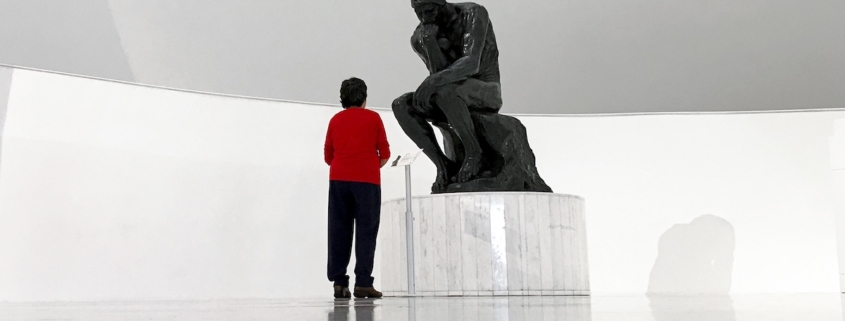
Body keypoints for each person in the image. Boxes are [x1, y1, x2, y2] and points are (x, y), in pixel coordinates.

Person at [392, 0, 502, 193]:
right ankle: (443, 165)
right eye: (420, 13)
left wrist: (432, 82)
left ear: (441, 4)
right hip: (450, 94)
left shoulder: (472, 14)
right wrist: (431, 45)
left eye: (428, 11)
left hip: (486, 90)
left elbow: (471, 63)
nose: (425, 18)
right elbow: (439, 73)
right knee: (401, 105)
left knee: (445, 91)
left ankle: (475, 152)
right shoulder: (421, 36)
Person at [324, 77, 390, 299]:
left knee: (339, 230)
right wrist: (370, 164)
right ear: (364, 98)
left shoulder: (335, 120)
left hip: (339, 180)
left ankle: (339, 283)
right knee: (366, 231)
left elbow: (328, 156)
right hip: (368, 182)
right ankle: (363, 282)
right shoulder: (374, 118)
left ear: (342, 98)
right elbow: (385, 153)